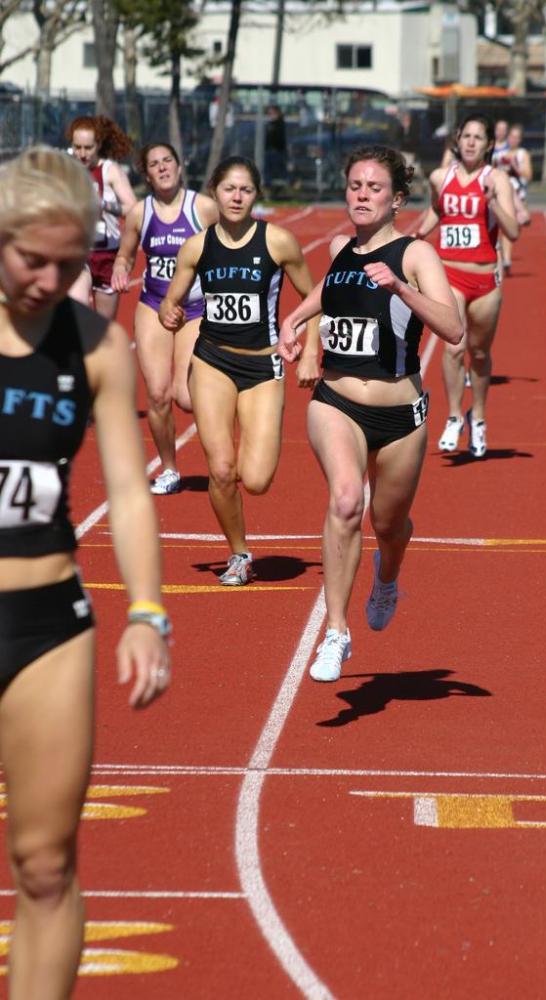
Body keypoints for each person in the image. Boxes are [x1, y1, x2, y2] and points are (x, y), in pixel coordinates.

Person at [0, 147, 171, 997]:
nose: (51, 280)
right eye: (34, 260)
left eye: (71, 264)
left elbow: (131, 495)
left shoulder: (99, 347)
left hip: (44, 630)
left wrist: (148, 614)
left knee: (44, 865)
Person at [277, 145, 464, 682]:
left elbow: (452, 330)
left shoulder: (414, 254)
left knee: (388, 523)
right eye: (354, 186)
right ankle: (336, 631)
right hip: (336, 401)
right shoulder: (340, 248)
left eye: (374, 188)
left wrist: (401, 287)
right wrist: (293, 321)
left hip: (401, 413)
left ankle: (388, 577)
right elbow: (330, 292)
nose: (361, 195)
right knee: (345, 499)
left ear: (397, 199)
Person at [159, 156, 319, 585]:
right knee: (222, 470)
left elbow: (317, 298)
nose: (236, 197)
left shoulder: (278, 242)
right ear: (215, 191)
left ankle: (240, 544)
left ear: (256, 195)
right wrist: (169, 315)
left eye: (245, 190)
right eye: (229, 188)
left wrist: (309, 352)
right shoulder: (197, 245)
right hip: (211, 360)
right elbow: (170, 302)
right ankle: (239, 554)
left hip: (262, 366)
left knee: (258, 479)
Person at [111, 143, 219, 495]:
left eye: (167, 161)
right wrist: (120, 271)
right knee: (157, 394)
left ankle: (220, 456)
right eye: (154, 164)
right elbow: (125, 256)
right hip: (154, 305)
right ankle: (170, 469)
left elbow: (231, 243)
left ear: (179, 164)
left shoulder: (202, 208)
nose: (162, 168)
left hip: (194, 308)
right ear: (146, 174)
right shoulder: (140, 214)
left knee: (186, 397)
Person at [413, 113, 519, 459]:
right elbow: (437, 211)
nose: (471, 142)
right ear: (457, 140)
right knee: (453, 348)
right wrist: (415, 236)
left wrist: (490, 201)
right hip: (450, 275)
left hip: (486, 278)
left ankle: (480, 416)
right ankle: (456, 415)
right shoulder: (440, 177)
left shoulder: (497, 179)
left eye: (478, 137)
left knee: (480, 353)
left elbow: (514, 231)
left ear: (489, 144)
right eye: (466, 136)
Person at [67, 115, 137, 319]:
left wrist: (104, 205)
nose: (82, 154)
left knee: (104, 328)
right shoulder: (66, 168)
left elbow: (133, 209)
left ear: (98, 145)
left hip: (108, 255)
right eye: (77, 147)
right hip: (79, 254)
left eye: (88, 148)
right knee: (77, 312)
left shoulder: (110, 170)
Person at [496, 123, 532, 273]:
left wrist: (516, 168)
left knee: (512, 228)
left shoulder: (522, 154)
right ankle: (506, 260)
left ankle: (505, 258)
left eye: (516, 137)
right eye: (511, 136)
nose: (513, 140)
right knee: (503, 226)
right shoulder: (498, 155)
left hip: (518, 195)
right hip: (501, 194)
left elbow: (528, 176)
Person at [264, 104, 288, 193]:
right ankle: (268, 187)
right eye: (269, 113)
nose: (271, 115)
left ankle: (286, 185)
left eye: (272, 113)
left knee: (280, 169)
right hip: (269, 151)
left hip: (277, 151)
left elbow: (279, 139)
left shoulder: (280, 124)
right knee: (268, 170)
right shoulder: (269, 124)